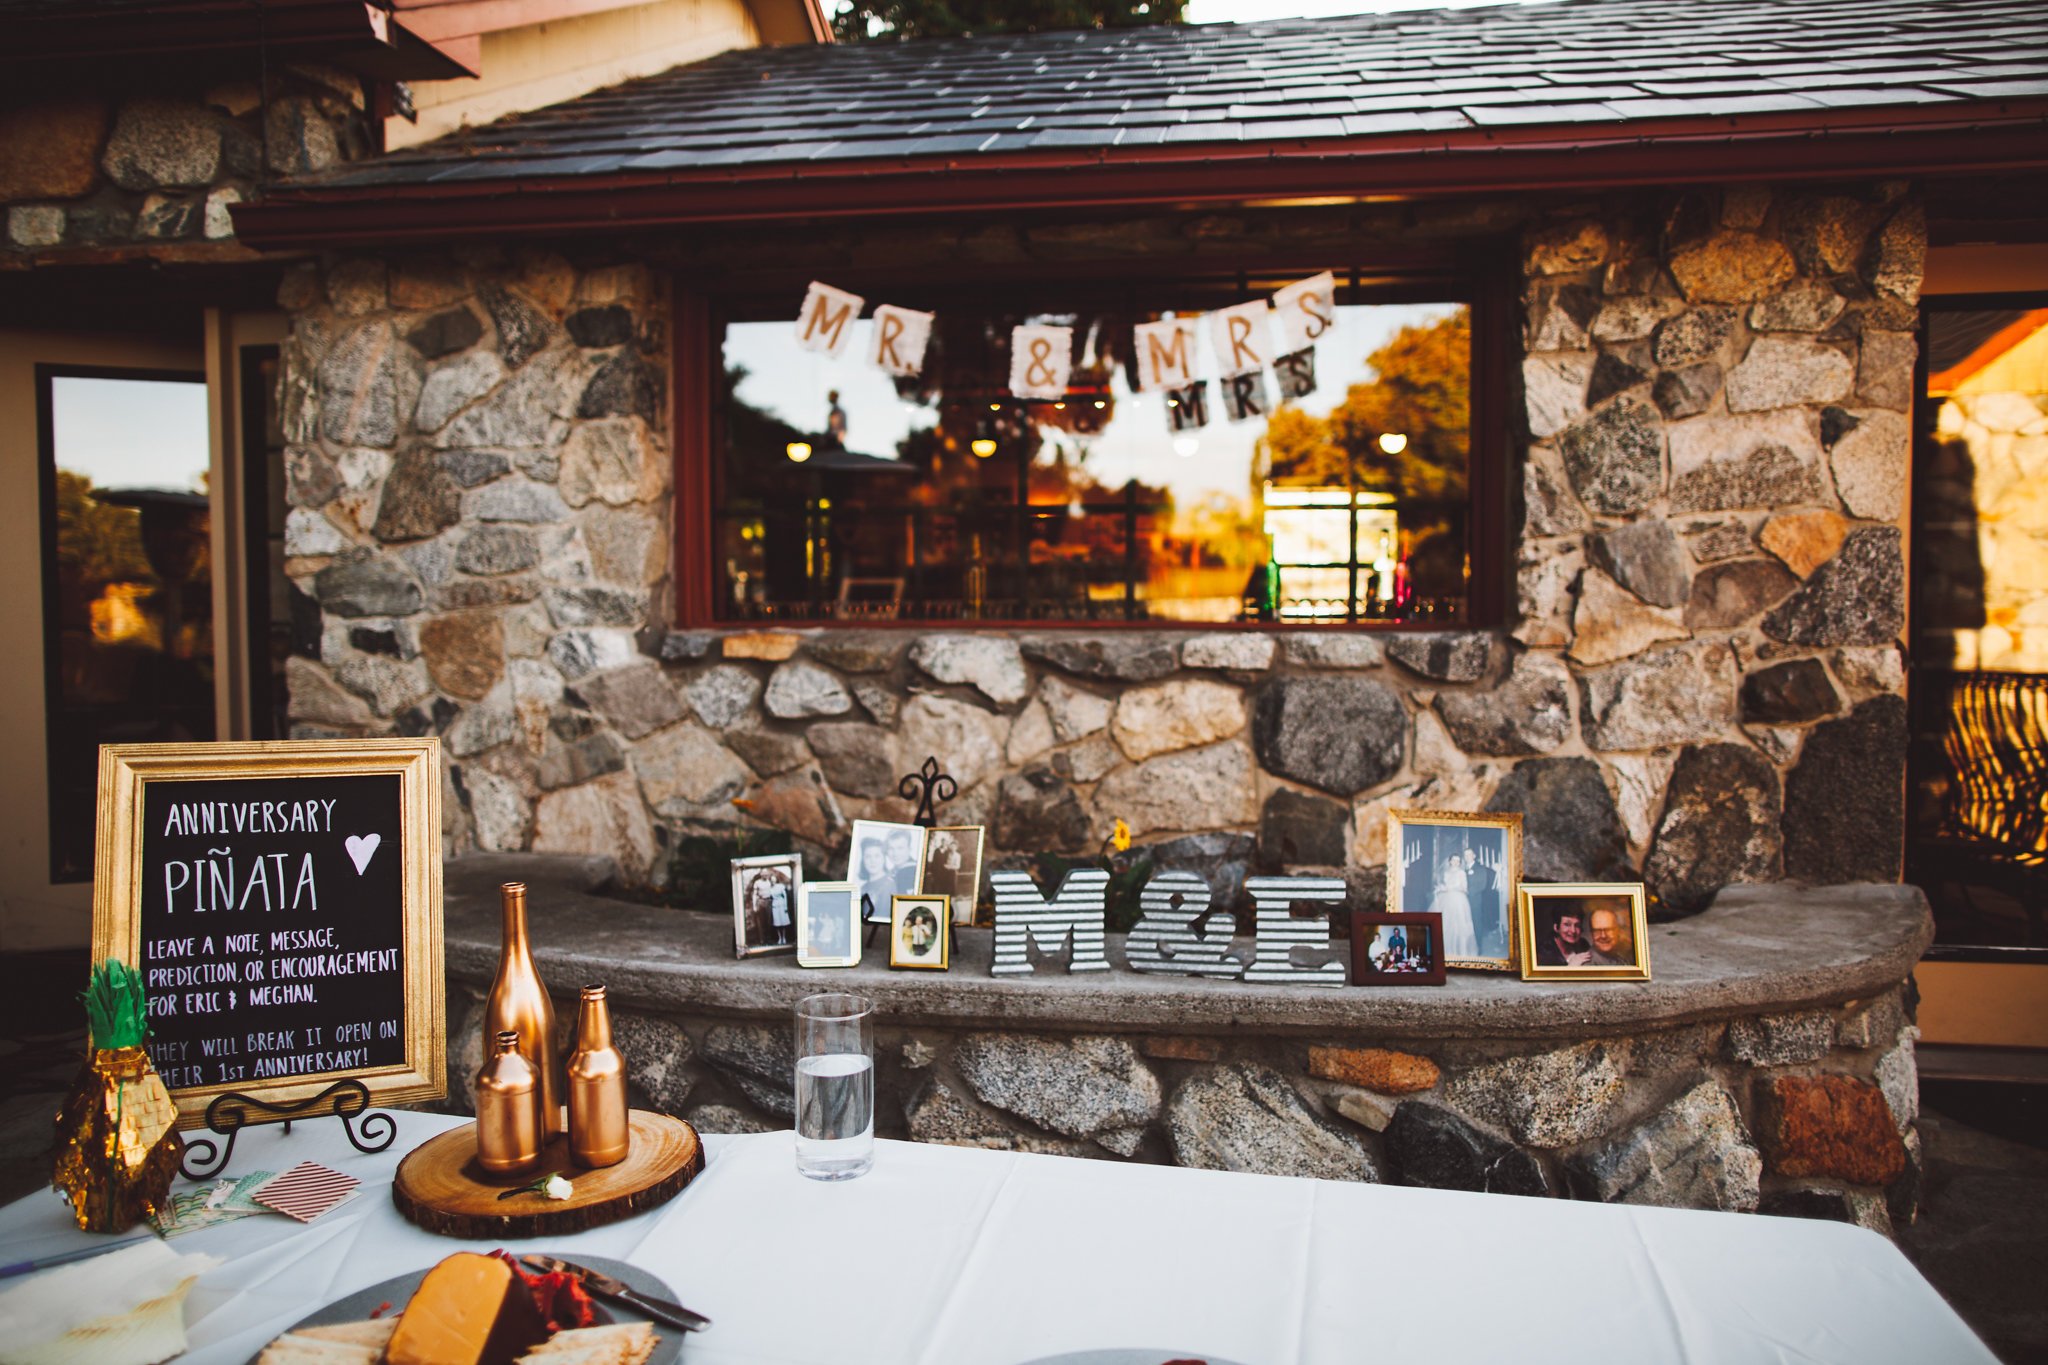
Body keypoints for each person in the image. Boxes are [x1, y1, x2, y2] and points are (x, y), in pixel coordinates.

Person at [1427, 844, 1478, 959]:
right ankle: (1445, 950)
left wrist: (1449, 888)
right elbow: (1445, 885)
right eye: (1454, 860)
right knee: (1446, 924)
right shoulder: (1446, 872)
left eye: (1458, 861)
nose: (1456, 862)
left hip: (1459, 900)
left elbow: (1464, 888)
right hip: (1447, 899)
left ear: (1460, 862)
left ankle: (1461, 951)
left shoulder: (1461, 873)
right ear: (1449, 861)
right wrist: (1441, 888)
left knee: (1459, 925)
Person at [1463, 846, 1500, 958]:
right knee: (1465, 923)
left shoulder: (1480, 868)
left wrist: (1466, 892)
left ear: (1474, 856)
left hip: (1474, 901)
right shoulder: (1463, 870)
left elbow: (1482, 885)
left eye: (1469, 854)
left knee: (1476, 923)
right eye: (1465, 855)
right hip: (1463, 901)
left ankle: (1478, 947)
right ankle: (1467, 947)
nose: (1467, 857)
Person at [858, 839, 893, 924]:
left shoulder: (889, 885)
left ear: (884, 858)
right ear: (863, 860)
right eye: (868, 856)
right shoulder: (864, 887)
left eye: (877, 856)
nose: (872, 861)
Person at [762, 873, 792, 946]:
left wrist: (785, 907)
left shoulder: (781, 886)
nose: (773, 881)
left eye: (774, 880)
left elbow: (784, 897)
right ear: (770, 881)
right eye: (772, 880)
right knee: (777, 923)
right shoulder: (770, 889)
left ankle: (784, 937)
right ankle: (779, 938)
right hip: (775, 906)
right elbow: (768, 896)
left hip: (782, 905)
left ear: (776, 880)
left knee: (783, 923)